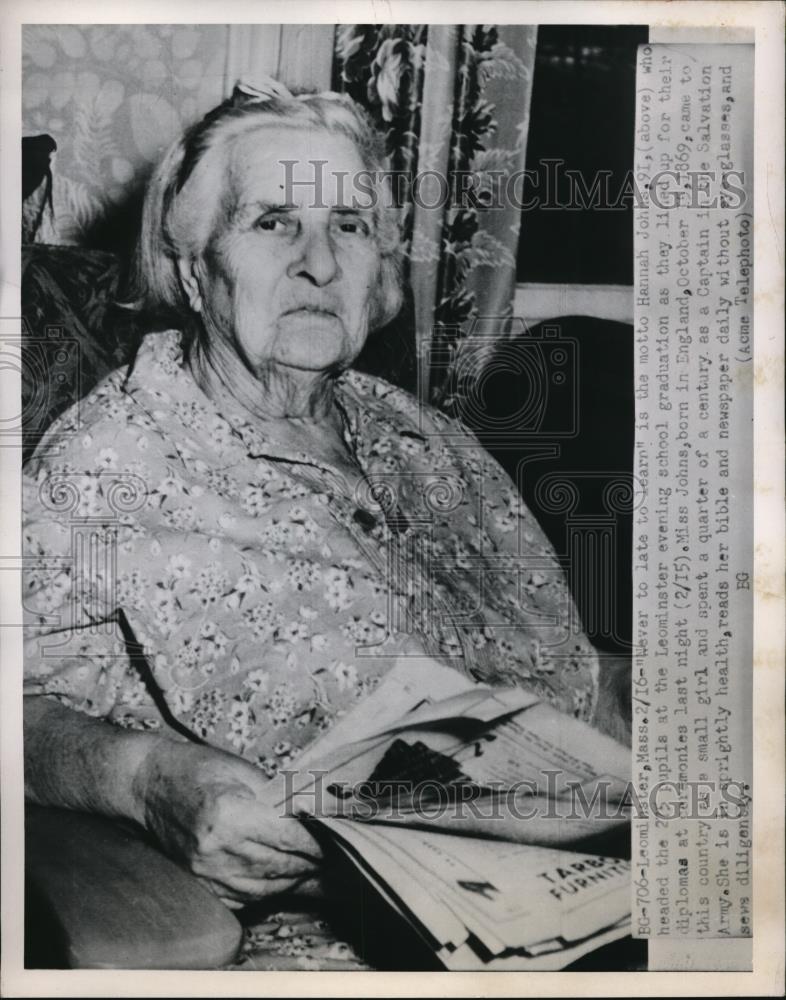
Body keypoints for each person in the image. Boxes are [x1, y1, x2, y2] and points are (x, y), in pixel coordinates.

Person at [23, 80, 629, 916]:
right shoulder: (106, 463)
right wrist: (146, 780)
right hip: (346, 903)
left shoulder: (426, 440)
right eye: (275, 223)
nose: (320, 262)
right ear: (197, 268)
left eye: (349, 226)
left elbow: (569, 668)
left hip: (580, 858)